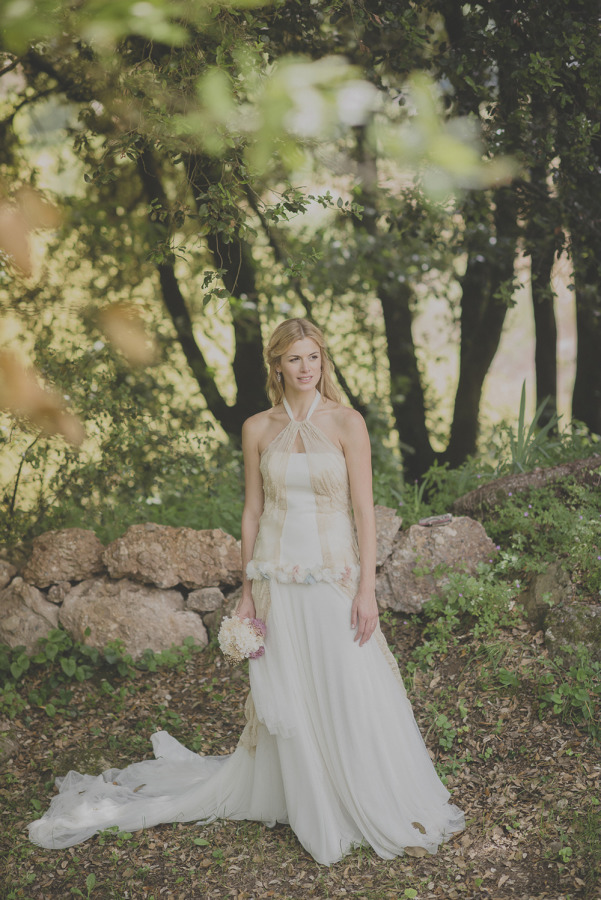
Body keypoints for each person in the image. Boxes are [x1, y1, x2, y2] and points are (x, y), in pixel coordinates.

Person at [28, 318, 464, 865]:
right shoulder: (258, 428)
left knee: (348, 682)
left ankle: (362, 793)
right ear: (276, 365)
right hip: (277, 578)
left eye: (313, 357)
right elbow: (254, 510)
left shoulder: (348, 423)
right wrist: (249, 591)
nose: (306, 368)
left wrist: (366, 590)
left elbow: (362, 512)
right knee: (291, 693)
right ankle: (311, 801)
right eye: (295, 359)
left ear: (322, 361)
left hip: (333, 577)